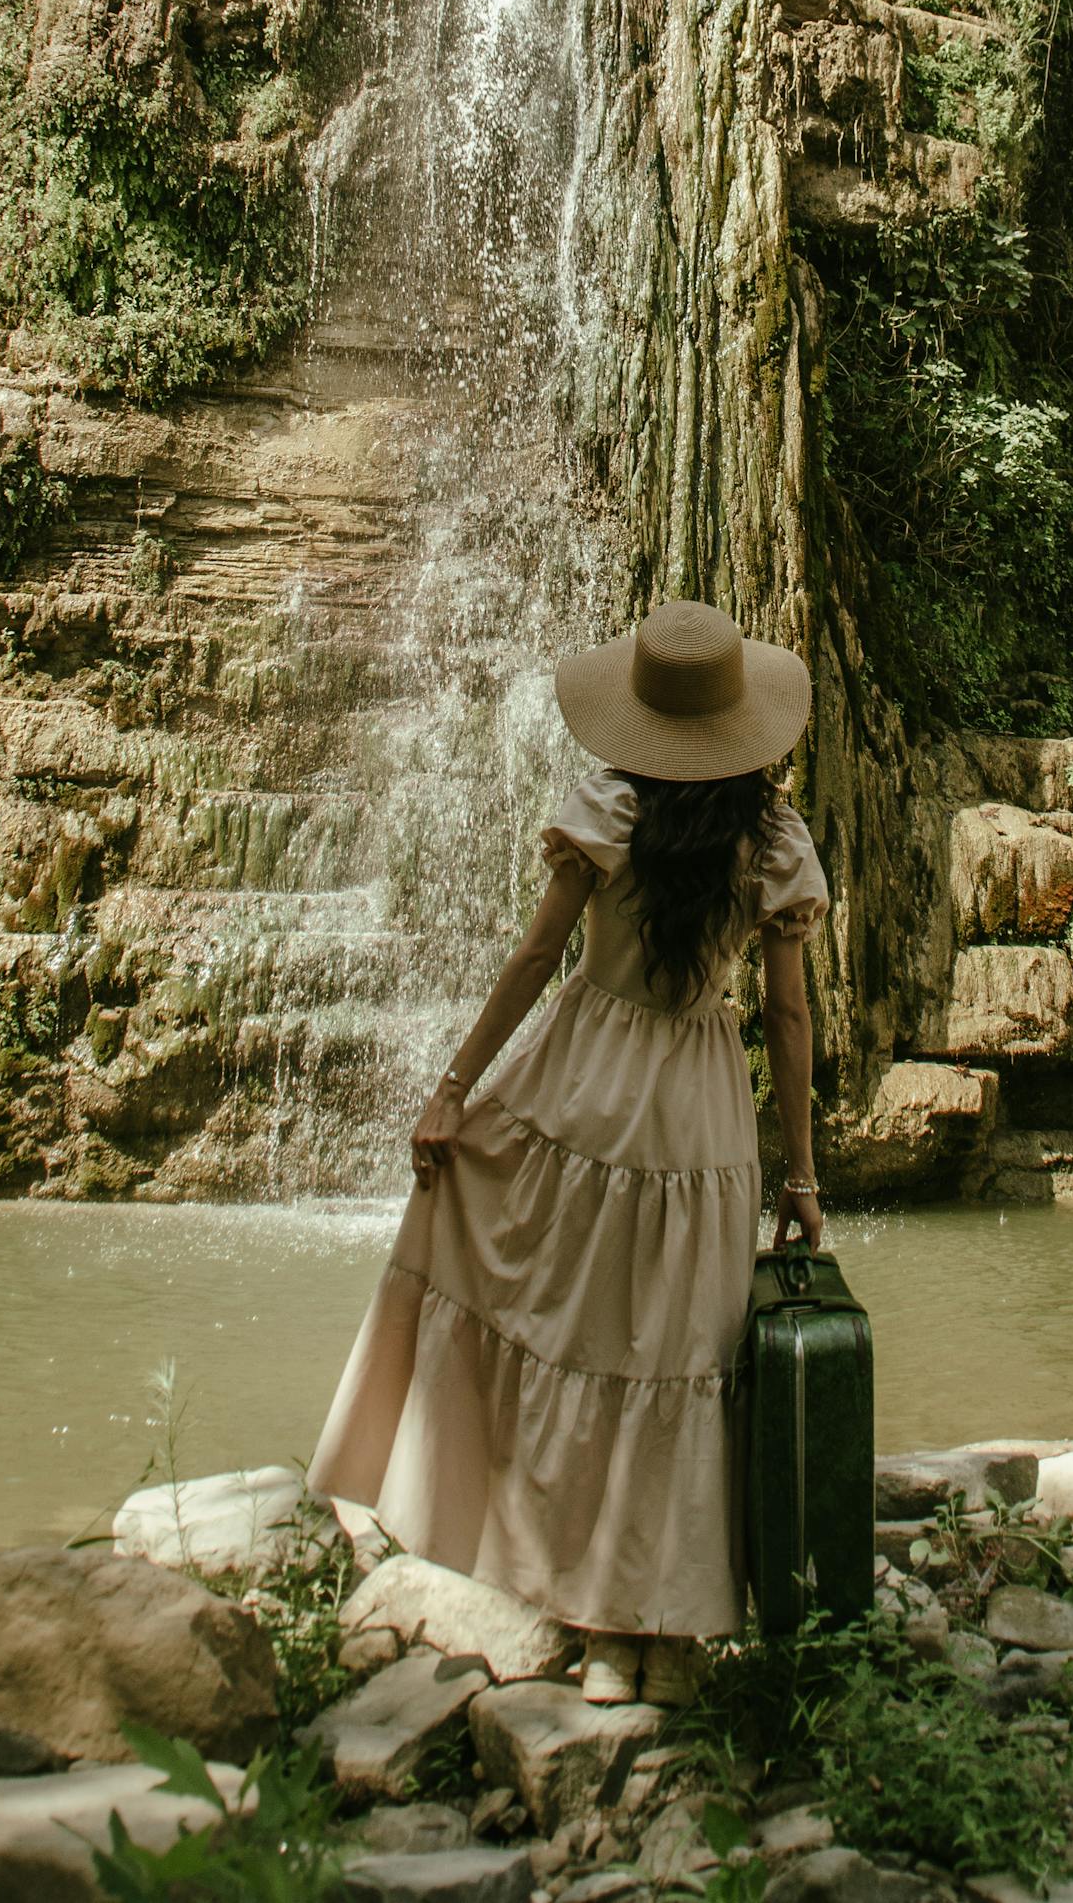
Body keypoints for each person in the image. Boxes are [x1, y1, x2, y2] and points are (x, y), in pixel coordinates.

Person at [308, 598, 829, 1707]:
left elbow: (540, 951)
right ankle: (664, 1630)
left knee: (574, 1334)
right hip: (698, 1111)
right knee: (679, 1356)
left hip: (579, 1085)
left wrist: (454, 1088)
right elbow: (787, 1018)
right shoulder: (776, 839)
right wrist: (800, 1170)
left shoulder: (609, 808)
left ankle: (587, 1618)